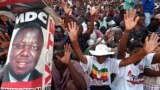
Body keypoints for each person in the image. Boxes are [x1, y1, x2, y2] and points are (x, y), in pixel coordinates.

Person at [66, 9, 158, 90]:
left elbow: (130, 60)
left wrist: (144, 52)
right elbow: (79, 55)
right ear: (94, 55)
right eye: (98, 55)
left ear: (106, 55)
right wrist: (74, 40)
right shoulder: (91, 60)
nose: (100, 57)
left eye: (103, 55)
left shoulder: (110, 62)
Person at [111, 10, 159, 90]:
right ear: (129, 51)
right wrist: (127, 30)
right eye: (135, 53)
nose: (138, 56)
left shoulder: (144, 58)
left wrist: (145, 51)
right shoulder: (125, 60)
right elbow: (120, 52)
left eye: (140, 53)